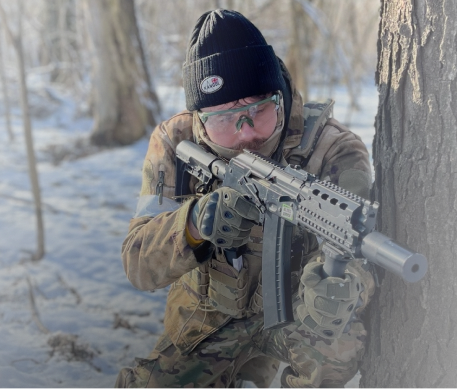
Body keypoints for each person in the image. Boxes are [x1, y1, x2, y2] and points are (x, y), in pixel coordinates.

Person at [116, 9, 375, 389]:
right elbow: (137, 262)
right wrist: (192, 224)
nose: (245, 135)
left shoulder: (333, 149)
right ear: (199, 121)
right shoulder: (176, 141)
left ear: (280, 100)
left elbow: (359, 247)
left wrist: (344, 283)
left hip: (297, 315)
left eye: (259, 111)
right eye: (224, 119)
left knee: (336, 345)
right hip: (205, 316)